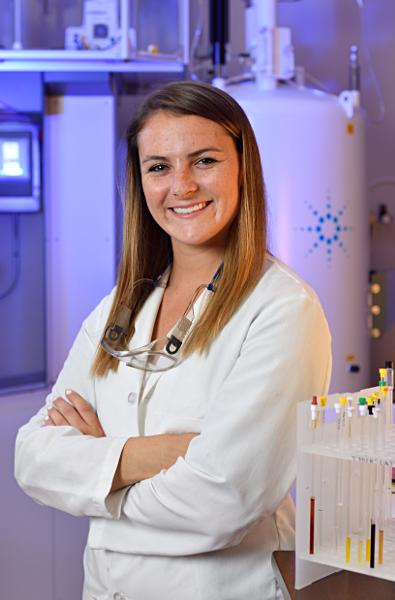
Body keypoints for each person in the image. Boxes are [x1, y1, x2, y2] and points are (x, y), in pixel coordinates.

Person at [15, 80, 331, 600]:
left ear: (243, 167)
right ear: (140, 182)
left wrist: (96, 482)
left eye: (204, 160)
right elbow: (32, 457)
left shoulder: (282, 310)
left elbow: (222, 500)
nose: (181, 186)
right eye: (158, 167)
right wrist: (156, 455)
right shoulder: (124, 303)